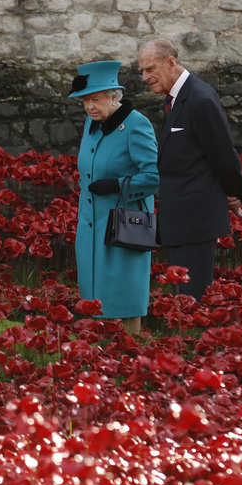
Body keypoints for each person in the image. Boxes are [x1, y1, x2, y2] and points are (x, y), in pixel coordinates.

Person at [137, 39, 242, 300]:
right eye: (142, 71)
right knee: (183, 299)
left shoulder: (200, 98)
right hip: (180, 218)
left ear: (171, 62)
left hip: (196, 220)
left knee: (192, 299)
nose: (145, 77)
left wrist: (236, 193)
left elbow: (223, 154)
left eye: (150, 69)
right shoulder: (177, 98)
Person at [69, 61, 159, 335]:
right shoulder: (91, 123)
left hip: (124, 222)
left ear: (113, 96)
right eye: (85, 101)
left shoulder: (136, 125)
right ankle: (97, 351)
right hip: (90, 222)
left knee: (124, 290)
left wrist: (117, 185)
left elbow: (155, 175)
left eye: (95, 100)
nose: (89, 107)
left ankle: (129, 351)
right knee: (93, 290)